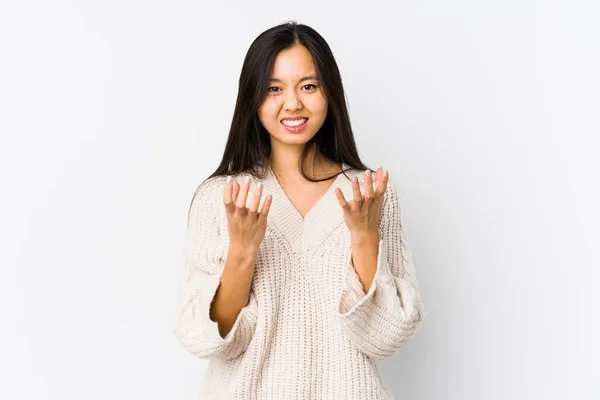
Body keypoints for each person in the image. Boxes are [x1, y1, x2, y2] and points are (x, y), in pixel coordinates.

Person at [173, 21, 427, 400]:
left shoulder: (370, 194)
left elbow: (386, 336)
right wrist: (242, 250)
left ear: (330, 94)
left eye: (308, 86)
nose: (293, 103)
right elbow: (208, 340)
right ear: (252, 98)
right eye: (274, 89)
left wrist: (364, 236)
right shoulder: (221, 198)